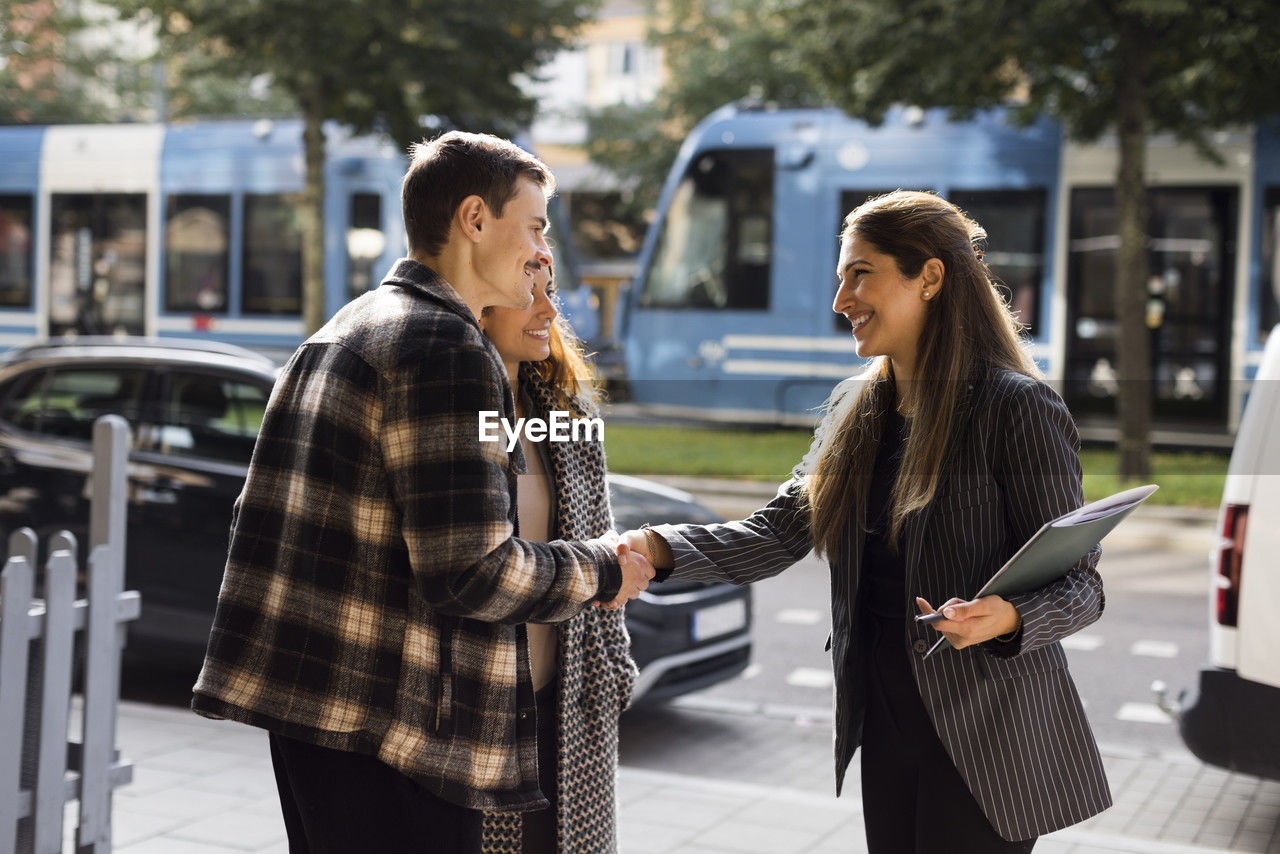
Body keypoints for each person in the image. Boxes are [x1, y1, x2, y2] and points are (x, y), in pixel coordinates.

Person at [192, 131, 654, 854]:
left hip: (318, 722)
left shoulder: (348, 327)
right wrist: (599, 567)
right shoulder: (445, 346)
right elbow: (472, 572)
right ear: (474, 219)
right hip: (397, 743)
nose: (540, 252)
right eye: (533, 227)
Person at [619, 190, 1112, 852]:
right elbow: (776, 534)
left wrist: (1008, 617)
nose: (841, 301)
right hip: (885, 725)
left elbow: (1081, 584)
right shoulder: (856, 409)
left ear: (930, 277)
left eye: (860, 274)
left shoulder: (1017, 408)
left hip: (984, 742)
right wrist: (655, 546)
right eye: (840, 278)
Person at [477, 264, 635, 853]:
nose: (549, 311)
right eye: (531, 295)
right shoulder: (459, 417)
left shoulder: (564, 418)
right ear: (481, 304)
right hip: (484, 714)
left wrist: (615, 671)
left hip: (569, 702)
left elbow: (603, 543)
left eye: (553, 295)